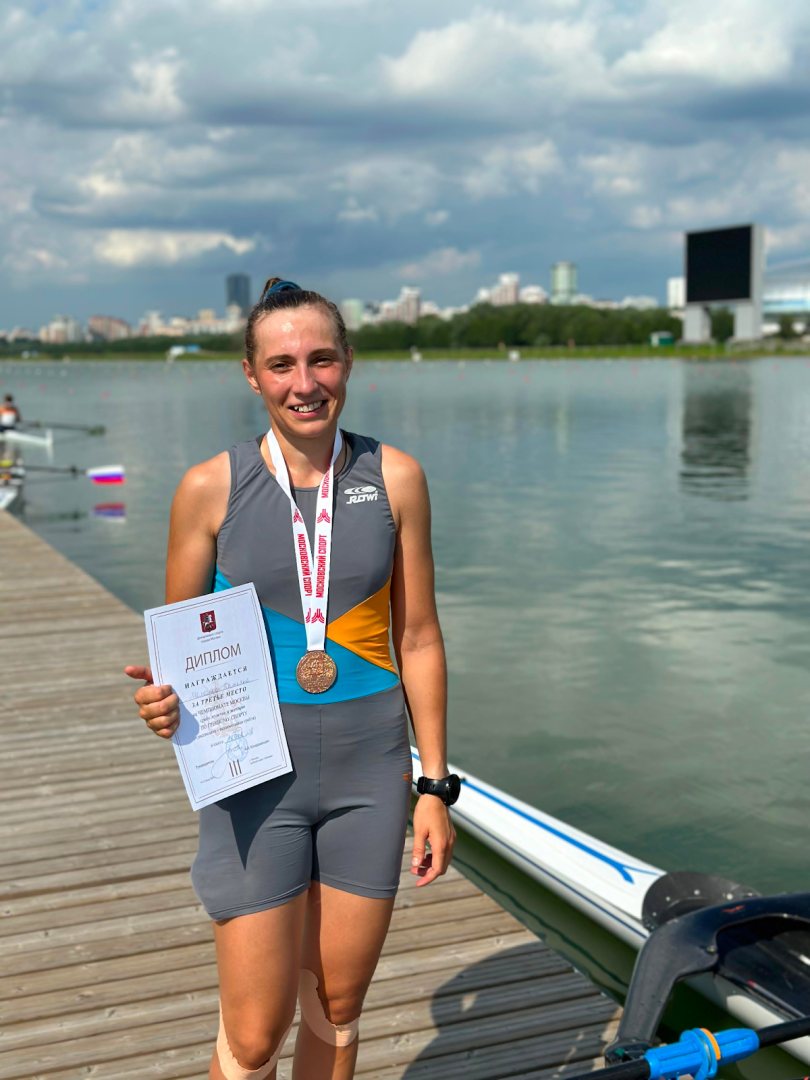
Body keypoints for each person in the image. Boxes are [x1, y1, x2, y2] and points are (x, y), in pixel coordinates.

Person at [125, 278, 457, 1080]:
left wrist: (434, 787)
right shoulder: (211, 487)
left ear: (348, 363)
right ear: (251, 374)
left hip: (370, 773)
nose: (304, 383)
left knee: (338, 1008)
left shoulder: (396, 477)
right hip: (253, 780)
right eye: (281, 364)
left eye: (321, 360)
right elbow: (179, 650)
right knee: (252, 1034)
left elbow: (417, 637)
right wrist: (162, 703)